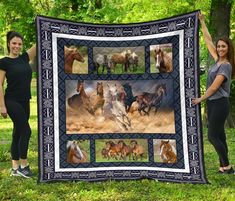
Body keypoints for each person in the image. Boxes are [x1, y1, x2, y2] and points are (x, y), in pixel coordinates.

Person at [192, 12, 235, 174]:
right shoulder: (218, 60)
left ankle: (228, 167)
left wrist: (200, 99)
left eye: (223, 46)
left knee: (212, 136)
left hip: (220, 103)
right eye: (219, 46)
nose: (220, 48)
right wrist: (202, 22)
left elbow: (215, 87)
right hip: (213, 103)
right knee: (220, 136)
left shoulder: (226, 66)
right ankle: (224, 166)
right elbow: (208, 40)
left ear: (228, 48)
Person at [0, 31, 36, 178]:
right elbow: (0, 85)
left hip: (25, 100)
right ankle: (24, 165)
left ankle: (15, 167)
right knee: (26, 131)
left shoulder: (24, 58)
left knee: (17, 133)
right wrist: (2, 106)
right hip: (11, 101)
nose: (17, 46)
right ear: (9, 43)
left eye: (20, 44)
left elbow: (41, 41)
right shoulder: (4, 62)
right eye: (14, 43)